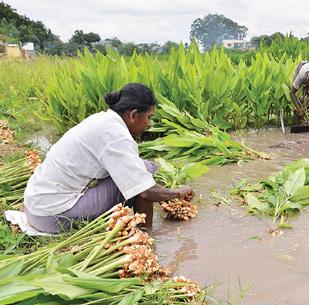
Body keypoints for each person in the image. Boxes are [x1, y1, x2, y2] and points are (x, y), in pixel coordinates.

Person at [23, 83, 194, 233]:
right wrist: (177, 193)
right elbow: (145, 191)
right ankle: (146, 234)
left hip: (36, 207)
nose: (149, 124)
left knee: (143, 168)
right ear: (133, 115)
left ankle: (142, 227)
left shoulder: (103, 120)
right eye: (148, 117)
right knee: (143, 177)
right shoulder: (116, 136)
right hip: (53, 217)